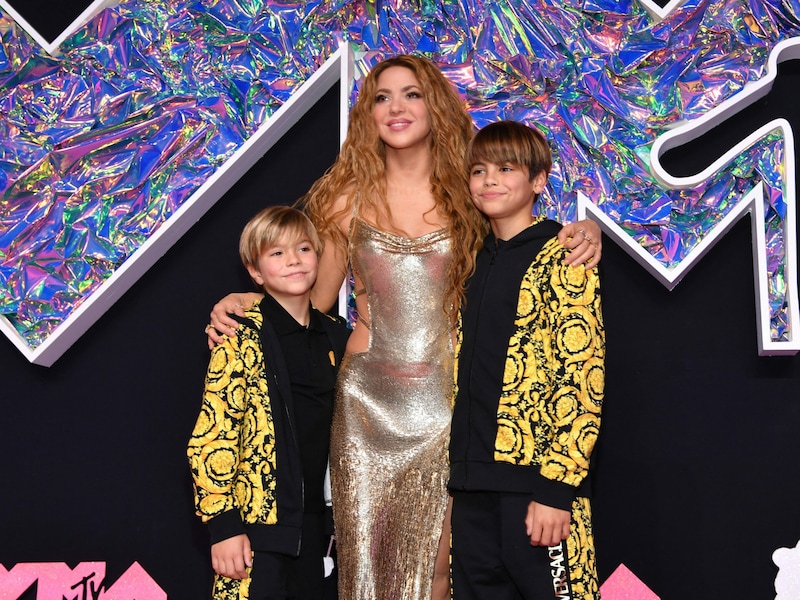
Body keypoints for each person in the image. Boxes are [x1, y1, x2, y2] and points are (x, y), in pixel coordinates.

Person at [205, 55, 602, 600]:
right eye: (381, 97)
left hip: (448, 407)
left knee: (441, 571)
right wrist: (246, 301)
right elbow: (308, 309)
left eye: (411, 94)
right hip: (364, 408)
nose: (396, 107)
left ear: (434, 105)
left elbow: (523, 236)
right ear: (367, 114)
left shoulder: (470, 194)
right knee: (364, 574)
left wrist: (585, 230)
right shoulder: (345, 198)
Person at [448, 120, 604, 599]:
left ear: (538, 181)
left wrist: (556, 490)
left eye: (505, 168)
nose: (489, 180)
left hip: (538, 485)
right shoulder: (468, 260)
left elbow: (582, 378)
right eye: (478, 170)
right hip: (471, 485)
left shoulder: (566, 255)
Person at [188, 206, 351, 600]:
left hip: (321, 532)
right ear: (255, 271)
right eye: (276, 253)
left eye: (303, 248)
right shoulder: (239, 334)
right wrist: (223, 524)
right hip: (257, 526)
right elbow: (215, 432)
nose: (293, 259)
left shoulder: (337, 337)